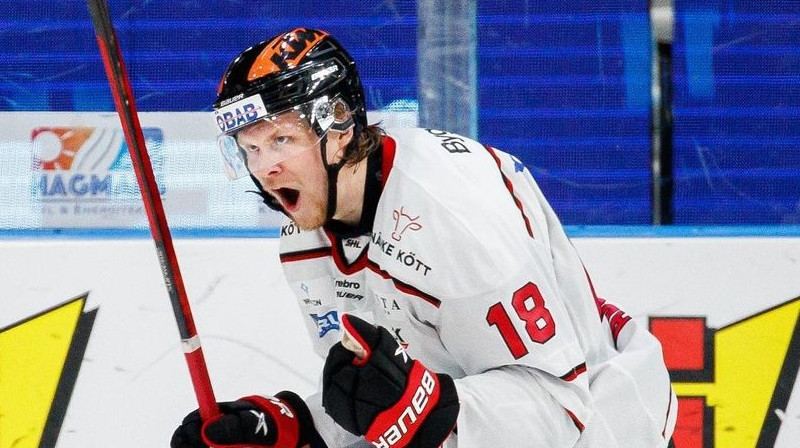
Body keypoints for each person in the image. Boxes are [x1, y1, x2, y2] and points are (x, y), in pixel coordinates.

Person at [171, 27, 678, 448]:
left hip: (611, 428)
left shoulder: (450, 211)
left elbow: (561, 410)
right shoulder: (305, 230)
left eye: (282, 139)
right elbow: (379, 401)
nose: (266, 166)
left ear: (341, 127)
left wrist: (427, 409)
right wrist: (292, 427)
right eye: (251, 147)